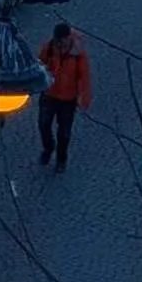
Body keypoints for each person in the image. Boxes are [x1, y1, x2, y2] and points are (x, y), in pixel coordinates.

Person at [38, 22, 92, 171]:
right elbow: (39, 67)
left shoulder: (78, 55)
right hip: (49, 94)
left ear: (68, 38)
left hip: (68, 99)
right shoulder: (48, 48)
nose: (58, 44)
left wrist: (84, 98)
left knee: (64, 133)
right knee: (43, 124)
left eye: (61, 41)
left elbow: (84, 78)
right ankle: (48, 148)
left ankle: (61, 159)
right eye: (57, 41)